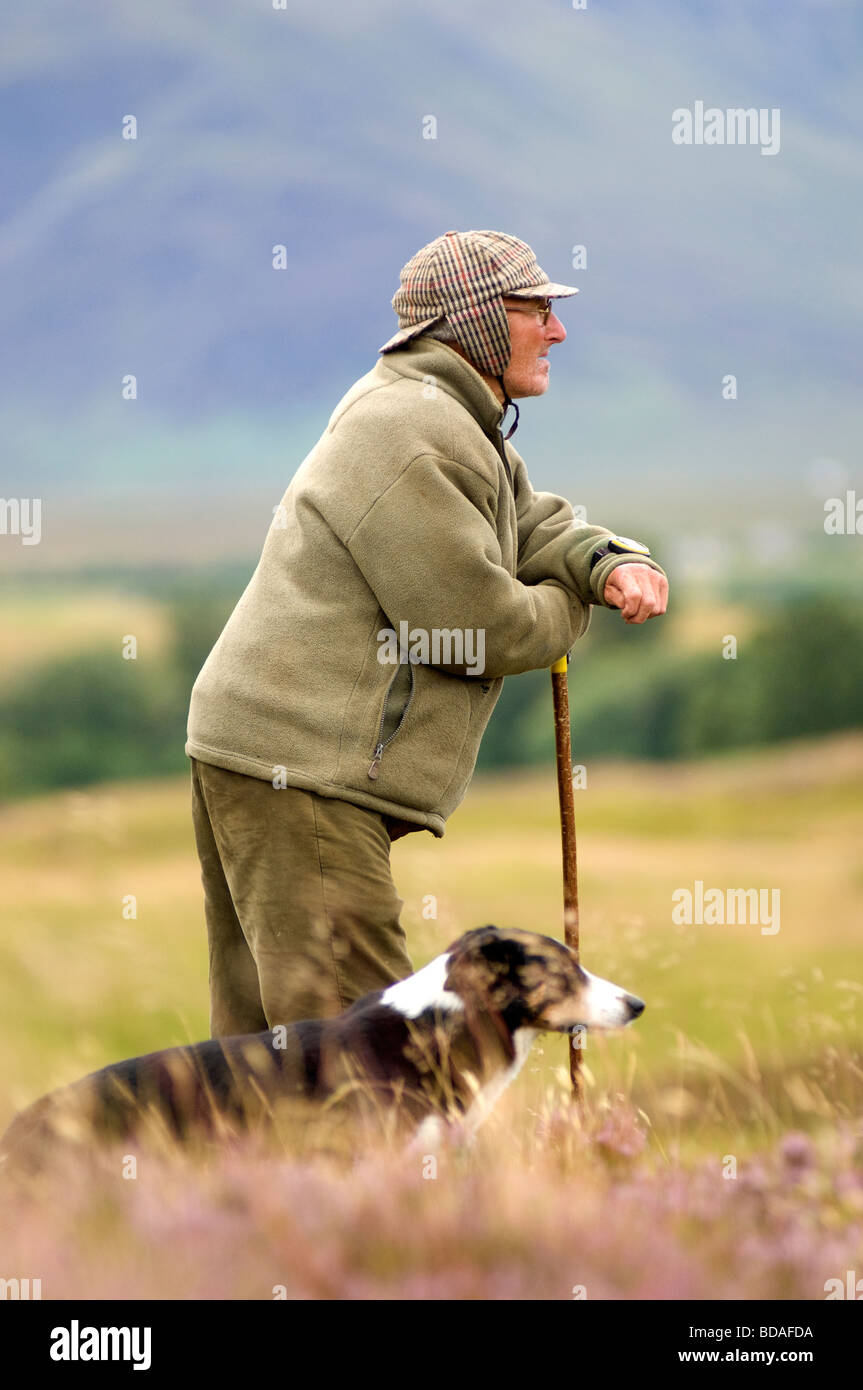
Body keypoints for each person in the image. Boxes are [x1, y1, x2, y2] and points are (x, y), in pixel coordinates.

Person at [185, 229, 668, 1036]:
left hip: (269, 753)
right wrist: (572, 609)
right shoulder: (415, 429)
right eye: (534, 309)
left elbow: (523, 522)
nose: (556, 330)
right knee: (369, 1062)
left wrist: (603, 560)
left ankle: (245, 1169)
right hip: (304, 768)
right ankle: (352, 1172)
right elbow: (478, 629)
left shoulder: (440, 414)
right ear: (475, 319)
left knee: (267, 1057)